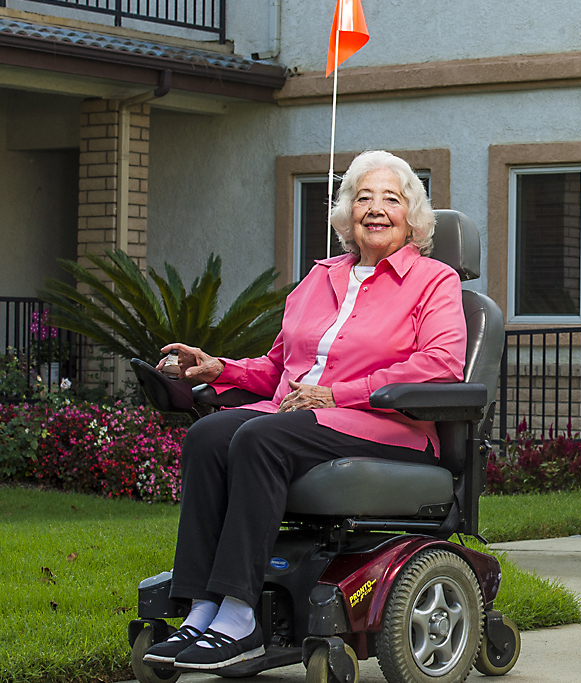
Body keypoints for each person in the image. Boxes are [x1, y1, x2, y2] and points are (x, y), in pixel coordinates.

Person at [143, 151, 467, 670]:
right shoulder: (321, 277)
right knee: (208, 436)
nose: (376, 209)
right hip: (298, 415)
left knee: (259, 438)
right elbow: (279, 367)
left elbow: (441, 364)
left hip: (384, 423)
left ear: (413, 217)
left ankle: (239, 617)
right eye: (364, 197)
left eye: (392, 198)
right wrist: (218, 369)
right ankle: (200, 608)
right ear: (347, 214)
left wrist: (338, 393)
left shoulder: (435, 281)